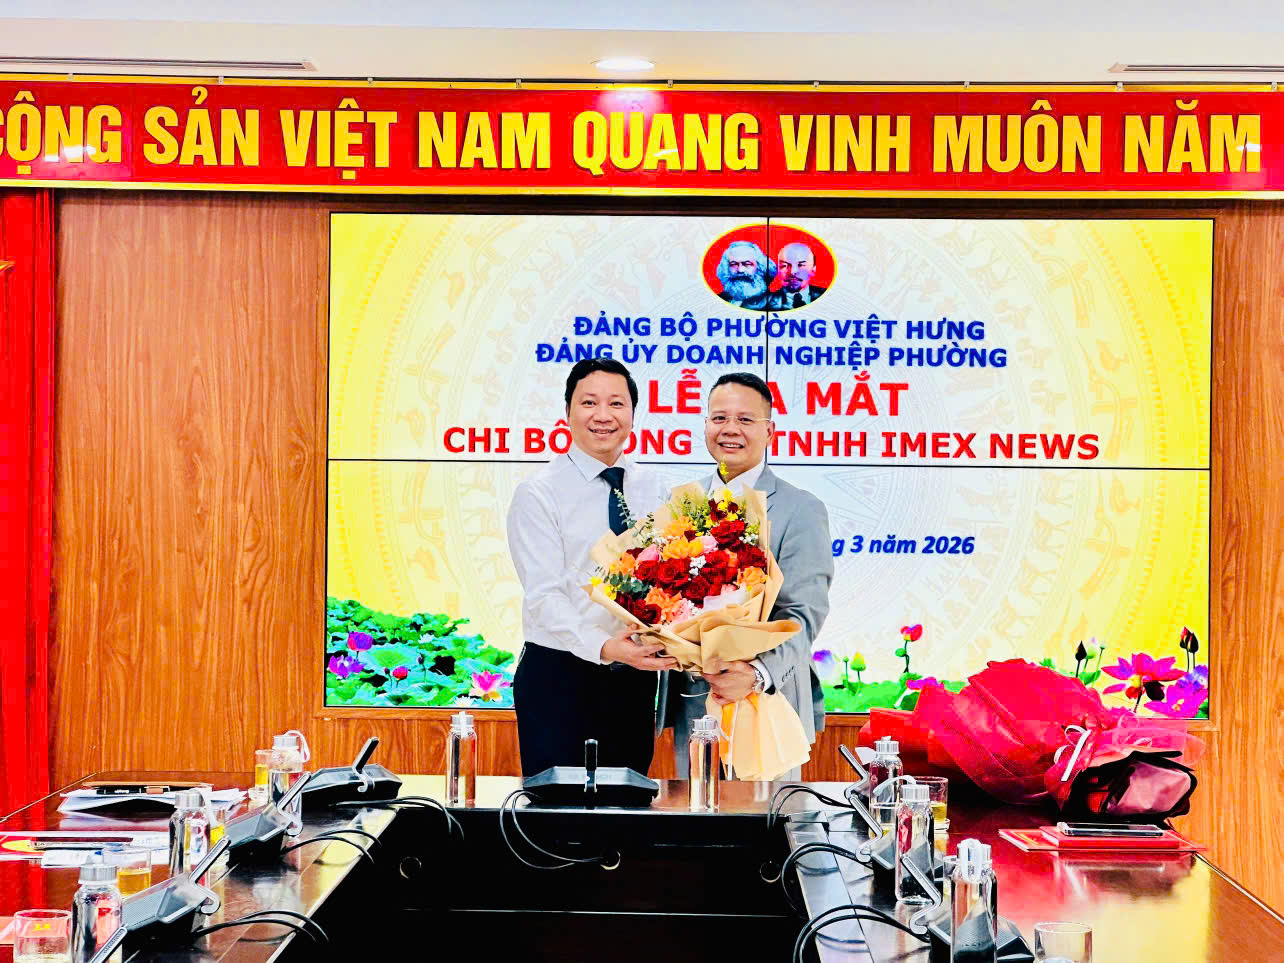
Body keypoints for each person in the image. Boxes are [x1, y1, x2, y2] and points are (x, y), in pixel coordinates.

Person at [507, 358, 678, 777]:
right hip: (559, 676)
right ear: (567, 412)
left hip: (633, 679)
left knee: (628, 802)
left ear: (633, 414)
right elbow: (544, 596)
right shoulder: (538, 493)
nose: (603, 415)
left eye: (616, 403)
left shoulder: (656, 488)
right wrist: (605, 647)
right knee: (558, 808)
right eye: (589, 403)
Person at [661, 372, 833, 780]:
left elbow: (803, 614)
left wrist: (756, 675)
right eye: (719, 418)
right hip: (695, 703)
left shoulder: (801, 509)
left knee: (768, 817)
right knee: (695, 813)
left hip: (769, 703)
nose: (730, 430)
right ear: (705, 425)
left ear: (769, 431)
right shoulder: (680, 503)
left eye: (745, 420)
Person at [714, 240, 775, 309]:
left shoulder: (775, 302)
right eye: (734, 264)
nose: (740, 270)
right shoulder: (716, 300)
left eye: (747, 264)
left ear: (760, 267)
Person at [768, 241, 827, 310]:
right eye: (784, 265)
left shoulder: (827, 296)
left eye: (801, 265)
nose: (792, 272)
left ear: (813, 269)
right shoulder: (766, 303)